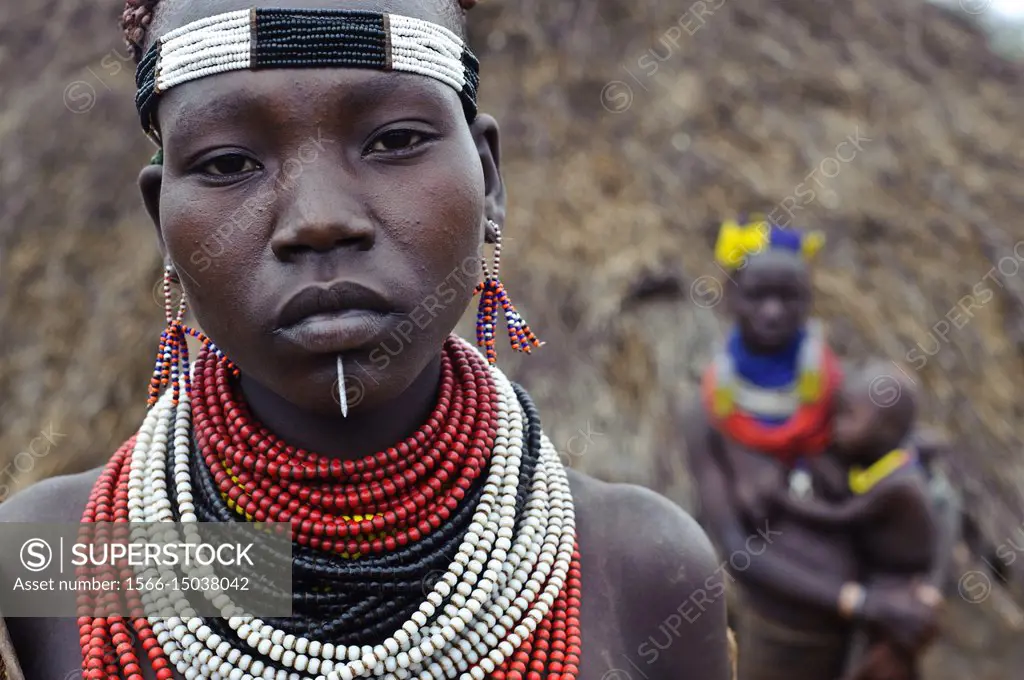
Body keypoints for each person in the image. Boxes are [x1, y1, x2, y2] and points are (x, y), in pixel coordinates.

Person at [0, 1, 733, 679]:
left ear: (488, 179)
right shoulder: (51, 560)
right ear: (162, 219)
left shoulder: (638, 569)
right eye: (229, 163)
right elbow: (270, 573)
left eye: (394, 141)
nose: (318, 219)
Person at [680, 218, 940, 680]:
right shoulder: (708, 415)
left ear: (810, 298)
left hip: (869, 628)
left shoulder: (839, 391)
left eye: (790, 295)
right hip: (782, 631)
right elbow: (738, 548)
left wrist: (908, 596)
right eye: (759, 294)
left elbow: (911, 487)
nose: (774, 311)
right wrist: (858, 601)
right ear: (730, 296)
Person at [763, 361, 945, 680]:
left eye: (849, 417)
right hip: (880, 578)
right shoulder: (879, 463)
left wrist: (785, 500)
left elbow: (840, 517)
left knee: (885, 664)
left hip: (900, 584)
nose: (836, 426)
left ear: (888, 430)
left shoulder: (900, 485)